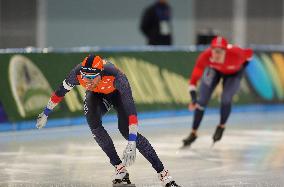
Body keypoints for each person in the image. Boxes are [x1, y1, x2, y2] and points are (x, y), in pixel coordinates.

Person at [36, 55, 181, 187]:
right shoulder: (76, 74)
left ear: (101, 74)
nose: (88, 81)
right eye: (85, 77)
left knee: (126, 130)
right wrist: (46, 112)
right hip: (96, 96)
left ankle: (164, 175)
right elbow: (60, 92)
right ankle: (120, 169)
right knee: (93, 123)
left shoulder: (117, 76)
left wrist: (131, 141)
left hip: (117, 94)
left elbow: (131, 111)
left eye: (92, 77)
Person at [183, 36, 253, 147]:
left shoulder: (237, 53)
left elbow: (250, 54)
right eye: (214, 51)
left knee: (226, 98)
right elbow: (193, 80)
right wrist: (193, 99)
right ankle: (193, 133)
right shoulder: (205, 56)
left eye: (220, 52)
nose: (216, 55)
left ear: (226, 51)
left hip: (234, 73)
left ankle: (221, 126)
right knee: (201, 101)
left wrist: (243, 66)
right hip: (215, 70)